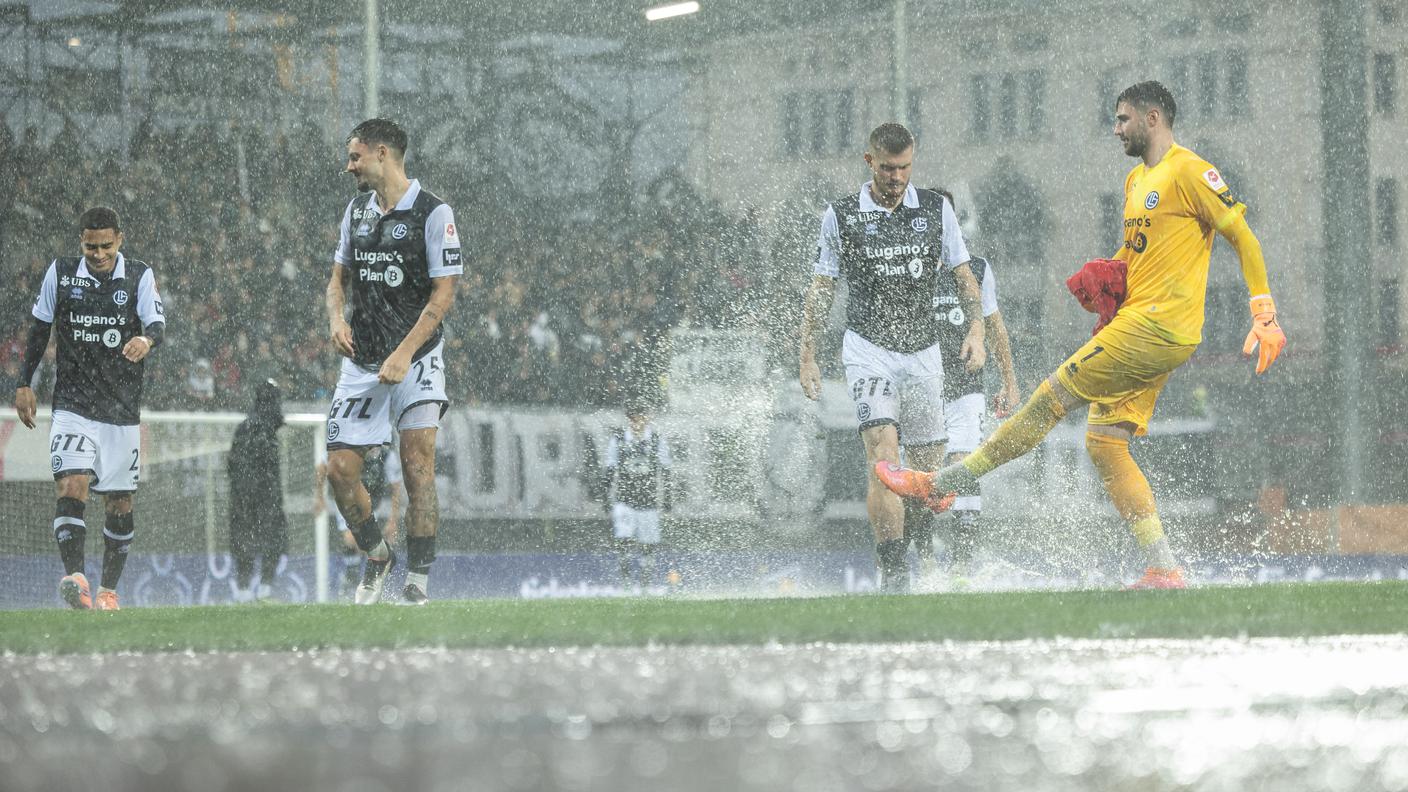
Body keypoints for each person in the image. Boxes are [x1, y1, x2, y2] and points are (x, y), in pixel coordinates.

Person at [878, 81, 1286, 589]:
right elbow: (1146, 254)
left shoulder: (1190, 170)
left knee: (1049, 398)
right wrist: (1111, 270)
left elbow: (1242, 235)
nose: (1115, 129)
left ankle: (939, 484)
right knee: (1105, 444)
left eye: (1122, 120)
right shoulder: (1137, 180)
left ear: (1152, 118)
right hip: (1143, 324)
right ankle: (1164, 567)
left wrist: (1263, 311)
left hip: (1157, 326)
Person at [798, 122, 987, 593]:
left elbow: (965, 277)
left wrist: (978, 330)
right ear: (869, 162)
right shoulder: (841, 216)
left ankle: (922, 547)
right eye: (887, 168)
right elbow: (823, 289)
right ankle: (894, 570)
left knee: (925, 475)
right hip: (868, 352)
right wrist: (807, 353)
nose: (897, 177)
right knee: (884, 460)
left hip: (923, 355)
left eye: (904, 168)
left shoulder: (935, 209)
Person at [324, 117, 460, 605]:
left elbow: (444, 293)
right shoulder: (356, 211)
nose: (349, 166)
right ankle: (377, 554)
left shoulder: (433, 212)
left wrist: (405, 352)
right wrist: (337, 319)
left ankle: (418, 583)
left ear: (383, 154)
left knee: (417, 464)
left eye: (355, 156)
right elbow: (336, 280)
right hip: (362, 361)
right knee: (340, 470)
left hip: (417, 358)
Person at [12, 206, 166, 610]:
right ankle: (76, 579)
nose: (97, 254)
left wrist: (146, 341)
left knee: (119, 503)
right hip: (73, 405)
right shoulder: (61, 273)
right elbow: (39, 327)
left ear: (120, 239)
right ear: (80, 241)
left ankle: (108, 591)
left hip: (120, 408)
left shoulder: (138, 275)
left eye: (105, 246)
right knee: (72, 485)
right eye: (89, 246)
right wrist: (24, 382)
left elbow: (158, 325)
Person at [906, 252, 1020, 583]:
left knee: (964, 468)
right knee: (922, 477)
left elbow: (995, 325)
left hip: (966, 388)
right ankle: (926, 563)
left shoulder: (977, 268)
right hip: (922, 390)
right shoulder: (908, 264)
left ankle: (961, 567)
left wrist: (1009, 382)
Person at [315, 443, 403, 600]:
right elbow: (322, 467)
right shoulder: (344, 446)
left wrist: (393, 520)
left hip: (371, 504)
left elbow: (396, 487)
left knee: (363, 544)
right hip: (347, 500)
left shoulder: (387, 456)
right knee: (352, 540)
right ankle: (357, 576)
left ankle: (355, 576)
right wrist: (319, 497)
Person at [227, 379, 288, 602]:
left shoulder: (244, 427)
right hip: (265, 493)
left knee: (243, 536)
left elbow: (231, 464)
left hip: (242, 494)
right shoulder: (267, 427)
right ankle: (264, 588)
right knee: (273, 535)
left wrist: (240, 491)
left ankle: (244, 589)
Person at [601, 402, 672, 592]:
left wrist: (667, 498)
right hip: (624, 499)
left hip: (648, 501)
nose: (636, 422)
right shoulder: (619, 440)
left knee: (648, 545)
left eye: (640, 418)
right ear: (629, 420)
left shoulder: (656, 441)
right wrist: (605, 495)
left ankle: (645, 586)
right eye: (633, 418)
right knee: (623, 539)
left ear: (646, 418)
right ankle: (625, 584)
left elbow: (665, 470)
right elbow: (610, 468)